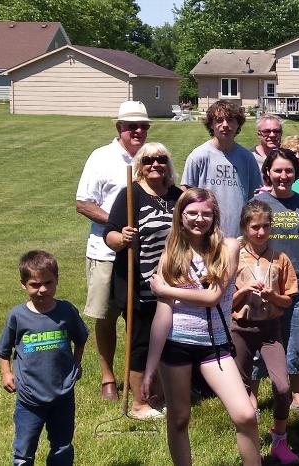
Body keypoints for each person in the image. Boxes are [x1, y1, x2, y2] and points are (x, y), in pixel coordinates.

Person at [142, 189, 260, 466]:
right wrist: (149, 370)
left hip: (215, 344)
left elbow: (212, 297)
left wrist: (166, 288)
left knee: (245, 414)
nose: (199, 219)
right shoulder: (170, 255)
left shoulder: (228, 248)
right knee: (179, 418)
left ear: (215, 216)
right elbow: (163, 313)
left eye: (206, 213)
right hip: (176, 345)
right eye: (192, 213)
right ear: (180, 216)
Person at [75, 100, 149, 402]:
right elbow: (83, 203)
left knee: (141, 318)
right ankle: (108, 378)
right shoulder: (101, 158)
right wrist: (119, 223)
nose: (138, 131)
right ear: (119, 128)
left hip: (144, 254)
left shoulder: (151, 156)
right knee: (105, 316)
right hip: (106, 252)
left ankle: (140, 376)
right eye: (132, 126)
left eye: (143, 126)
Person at [104, 142, 183, 420]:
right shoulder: (131, 194)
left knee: (169, 342)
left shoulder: (177, 195)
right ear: (140, 164)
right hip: (138, 285)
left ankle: (159, 395)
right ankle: (139, 404)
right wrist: (121, 238)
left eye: (161, 159)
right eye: (148, 160)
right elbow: (110, 235)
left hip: (173, 283)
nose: (155, 164)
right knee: (142, 342)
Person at [0, 250, 89, 466]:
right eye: (35, 284)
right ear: (23, 284)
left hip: (63, 394)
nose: (43, 289)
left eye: (48, 282)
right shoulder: (17, 316)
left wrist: (77, 362)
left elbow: (81, 337)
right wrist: (6, 373)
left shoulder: (66, 311)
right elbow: (3, 349)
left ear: (57, 280)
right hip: (29, 397)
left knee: (62, 445)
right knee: (24, 450)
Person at [254, 148, 299, 414]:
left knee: (296, 342)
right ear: (268, 173)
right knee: (259, 342)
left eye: (288, 170)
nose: (283, 176)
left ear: (296, 173)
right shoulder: (257, 206)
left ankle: (297, 398)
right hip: (263, 287)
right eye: (278, 170)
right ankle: (253, 398)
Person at [230, 200, 299, 465]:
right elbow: (226, 302)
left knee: (282, 387)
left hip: (270, 329)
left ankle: (279, 439)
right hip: (241, 329)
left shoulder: (280, 258)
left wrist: (274, 295)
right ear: (244, 227)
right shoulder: (234, 258)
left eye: (265, 226)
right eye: (255, 227)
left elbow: (288, 300)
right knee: (241, 388)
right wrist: (244, 291)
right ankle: (248, 442)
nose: (260, 232)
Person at [182, 100, 263, 238]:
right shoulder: (198, 156)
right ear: (211, 124)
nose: (225, 125)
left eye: (230, 120)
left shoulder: (247, 158)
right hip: (204, 235)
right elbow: (185, 195)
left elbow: (255, 196)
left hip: (239, 236)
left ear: (238, 124)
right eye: (219, 120)